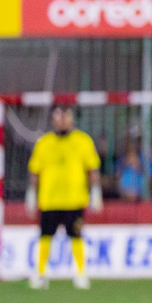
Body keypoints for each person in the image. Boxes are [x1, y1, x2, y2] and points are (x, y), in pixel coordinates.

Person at [25, 105, 102, 290]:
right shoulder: (44, 143)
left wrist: (96, 192)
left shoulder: (83, 141)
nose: (62, 121)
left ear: (72, 119)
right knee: (45, 236)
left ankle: (81, 274)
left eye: (65, 116)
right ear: (53, 120)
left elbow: (92, 169)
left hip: (74, 200)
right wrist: (31, 194)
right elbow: (35, 171)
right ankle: (41, 274)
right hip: (49, 201)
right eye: (58, 117)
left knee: (76, 236)